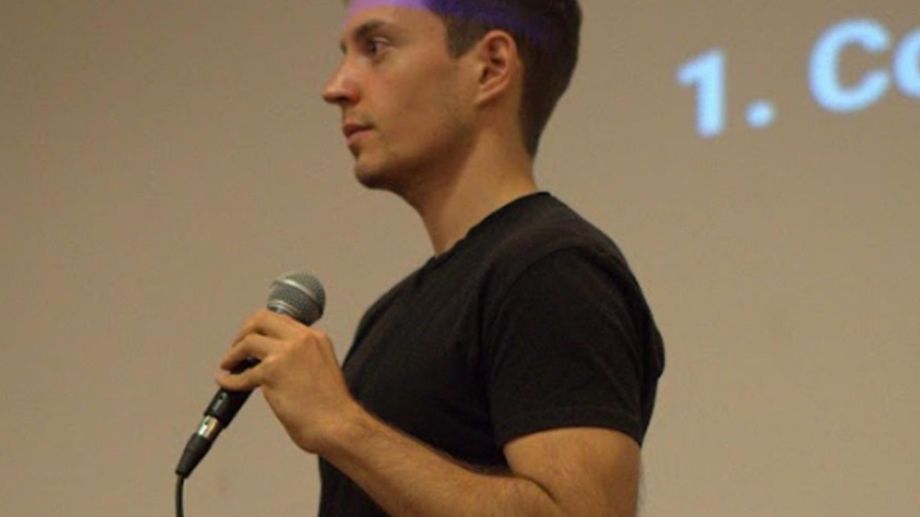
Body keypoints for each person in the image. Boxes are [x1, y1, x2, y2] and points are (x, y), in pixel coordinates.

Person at [215, 0, 665, 515]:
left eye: (375, 47)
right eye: (346, 53)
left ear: (491, 67)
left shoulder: (553, 271)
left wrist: (341, 425)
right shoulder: (390, 315)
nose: (335, 87)